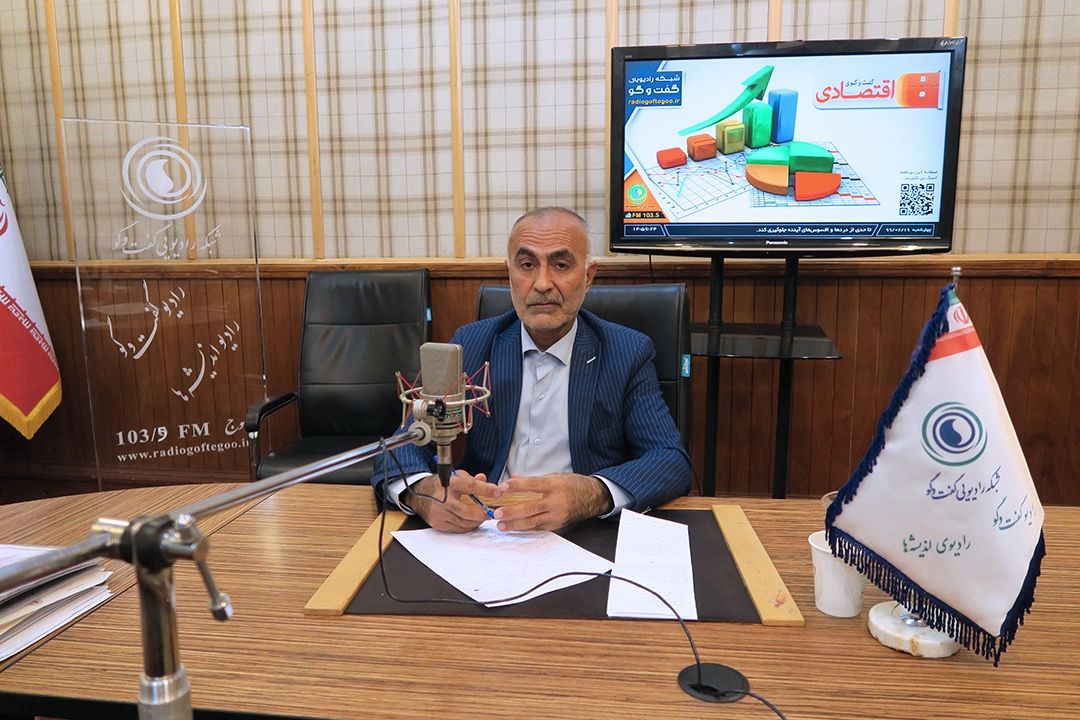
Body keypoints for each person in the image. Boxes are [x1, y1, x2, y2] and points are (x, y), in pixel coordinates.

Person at [377, 207, 692, 532]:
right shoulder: (470, 344)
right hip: (485, 530)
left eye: (561, 265)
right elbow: (398, 449)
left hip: (583, 531)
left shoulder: (626, 352)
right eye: (527, 265)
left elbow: (669, 460)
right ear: (509, 273)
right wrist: (421, 493)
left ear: (588, 276)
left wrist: (591, 494)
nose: (542, 284)